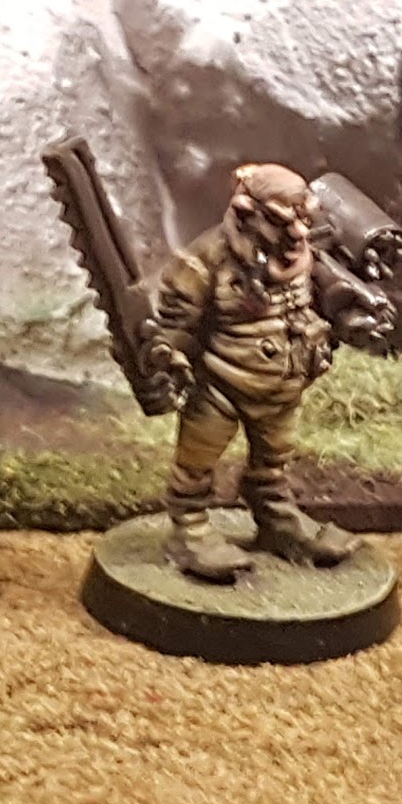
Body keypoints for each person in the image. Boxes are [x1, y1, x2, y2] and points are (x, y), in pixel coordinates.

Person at [149, 163, 362, 581]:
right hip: (221, 387)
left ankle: (277, 520)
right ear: (248, 214)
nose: (297, 232)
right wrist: (169, 361)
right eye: (282, 221)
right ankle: (189, 529)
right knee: (196, 465)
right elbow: (176, 324)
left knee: (273, 462)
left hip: (286, 383)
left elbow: (329, 299)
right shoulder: (206, 259)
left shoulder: (309, 252)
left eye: (303, 219)